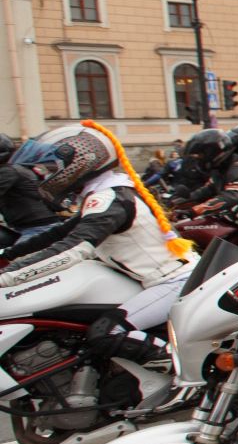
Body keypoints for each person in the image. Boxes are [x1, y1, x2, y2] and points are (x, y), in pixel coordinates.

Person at [0, 124, 196, 411]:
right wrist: (7, 253)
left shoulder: (110, 197)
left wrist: (10, 277)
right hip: (148, 280)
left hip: (172, 283)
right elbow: (56, 234)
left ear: (81, 162)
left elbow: (75, 247)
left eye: (54, 166)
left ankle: (185, 374)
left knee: (106, 333)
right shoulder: (103, 192)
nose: (49, 173)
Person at [0, 133, 62, 241]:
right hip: (22, 228)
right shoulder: (14, 169)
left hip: (38, 228)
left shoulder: (8, 171)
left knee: (17, 257)